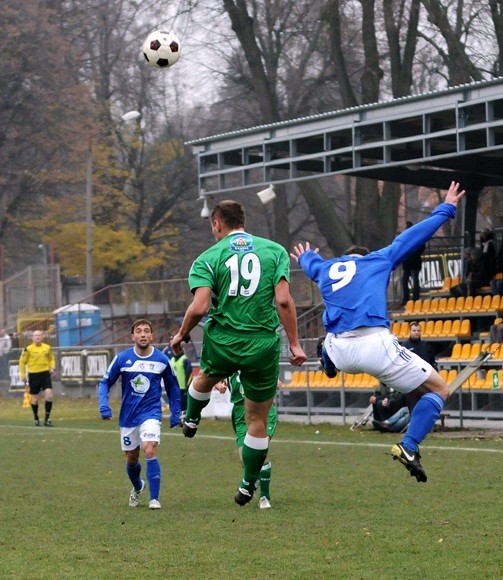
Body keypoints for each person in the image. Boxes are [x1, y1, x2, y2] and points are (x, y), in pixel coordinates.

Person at [291, 181, 465, 483]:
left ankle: (328, 357)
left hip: (342, 349)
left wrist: (306, 256)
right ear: (362, 257)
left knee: (331, 333)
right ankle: (409, 447)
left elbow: (311, 264)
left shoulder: (326, 269)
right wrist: (446, 208)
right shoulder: (376, 260)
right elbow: (412, 236)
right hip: (375, 345)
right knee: (440, 389)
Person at [170, 199, 307, 506]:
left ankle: (191, 418)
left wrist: (181, 334)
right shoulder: (275, 251)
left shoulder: (208, 257)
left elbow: (201, 306)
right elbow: (284, 302)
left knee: (205, 376)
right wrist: (295, 343)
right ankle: (248, 483)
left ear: (217, 224)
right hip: (263, 344)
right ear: (243, 221)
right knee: (256, 418)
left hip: (225, 342)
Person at [98, 319, 181, 510]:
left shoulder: (161, 360)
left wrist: (176, 412)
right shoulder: (122, 358)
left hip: (151, 412)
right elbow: (104, 383)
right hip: (128, 416)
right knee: (131, 459)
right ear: (132, 336)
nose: (143, 334)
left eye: (146, 331)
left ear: (152, 336)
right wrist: (104, 405)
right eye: (139, 331)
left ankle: (154, 498)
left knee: (149, 449)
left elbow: (173, 387)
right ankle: (138, 486)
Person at [214, 372, 278, 509]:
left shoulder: (255, 358)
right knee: (245, 458)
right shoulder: (228, 363)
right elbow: (211, 378)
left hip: (262, 409)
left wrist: (274, 381)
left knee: (261, 452)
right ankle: (253, 480)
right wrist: (219, 385)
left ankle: (264, 497)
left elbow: (273, 378)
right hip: (240, 413)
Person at [19, 330, 56, 426]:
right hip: (33, 375)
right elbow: (22, 362)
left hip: (45, 374)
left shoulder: (47, 347)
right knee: (35, 399)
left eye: (39, 335)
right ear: (32, 338)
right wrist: (23, 375)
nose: (37, 337)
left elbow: (51, 358)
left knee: (49, 395)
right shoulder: (28, 349)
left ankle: (47, 419)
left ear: (42, 337)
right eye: (35, 335)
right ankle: (36, 418)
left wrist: (52, 367)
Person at [162, 342, 192, 414]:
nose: (174, 350)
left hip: (183, 389)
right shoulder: (171, 360)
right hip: (174, 388)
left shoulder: (185, 360)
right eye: (173, 348)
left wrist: (187, 388)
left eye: (176, 348)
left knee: (184, 408)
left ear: (180, 348)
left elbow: (189, 375)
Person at [401, 221, 425, 305]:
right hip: (407, 262)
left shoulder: (417, 237)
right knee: (404, 281)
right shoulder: (405, 237)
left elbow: (421, 247)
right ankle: (406, 299)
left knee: (414, 281)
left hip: (414, 262)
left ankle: (415, 299)